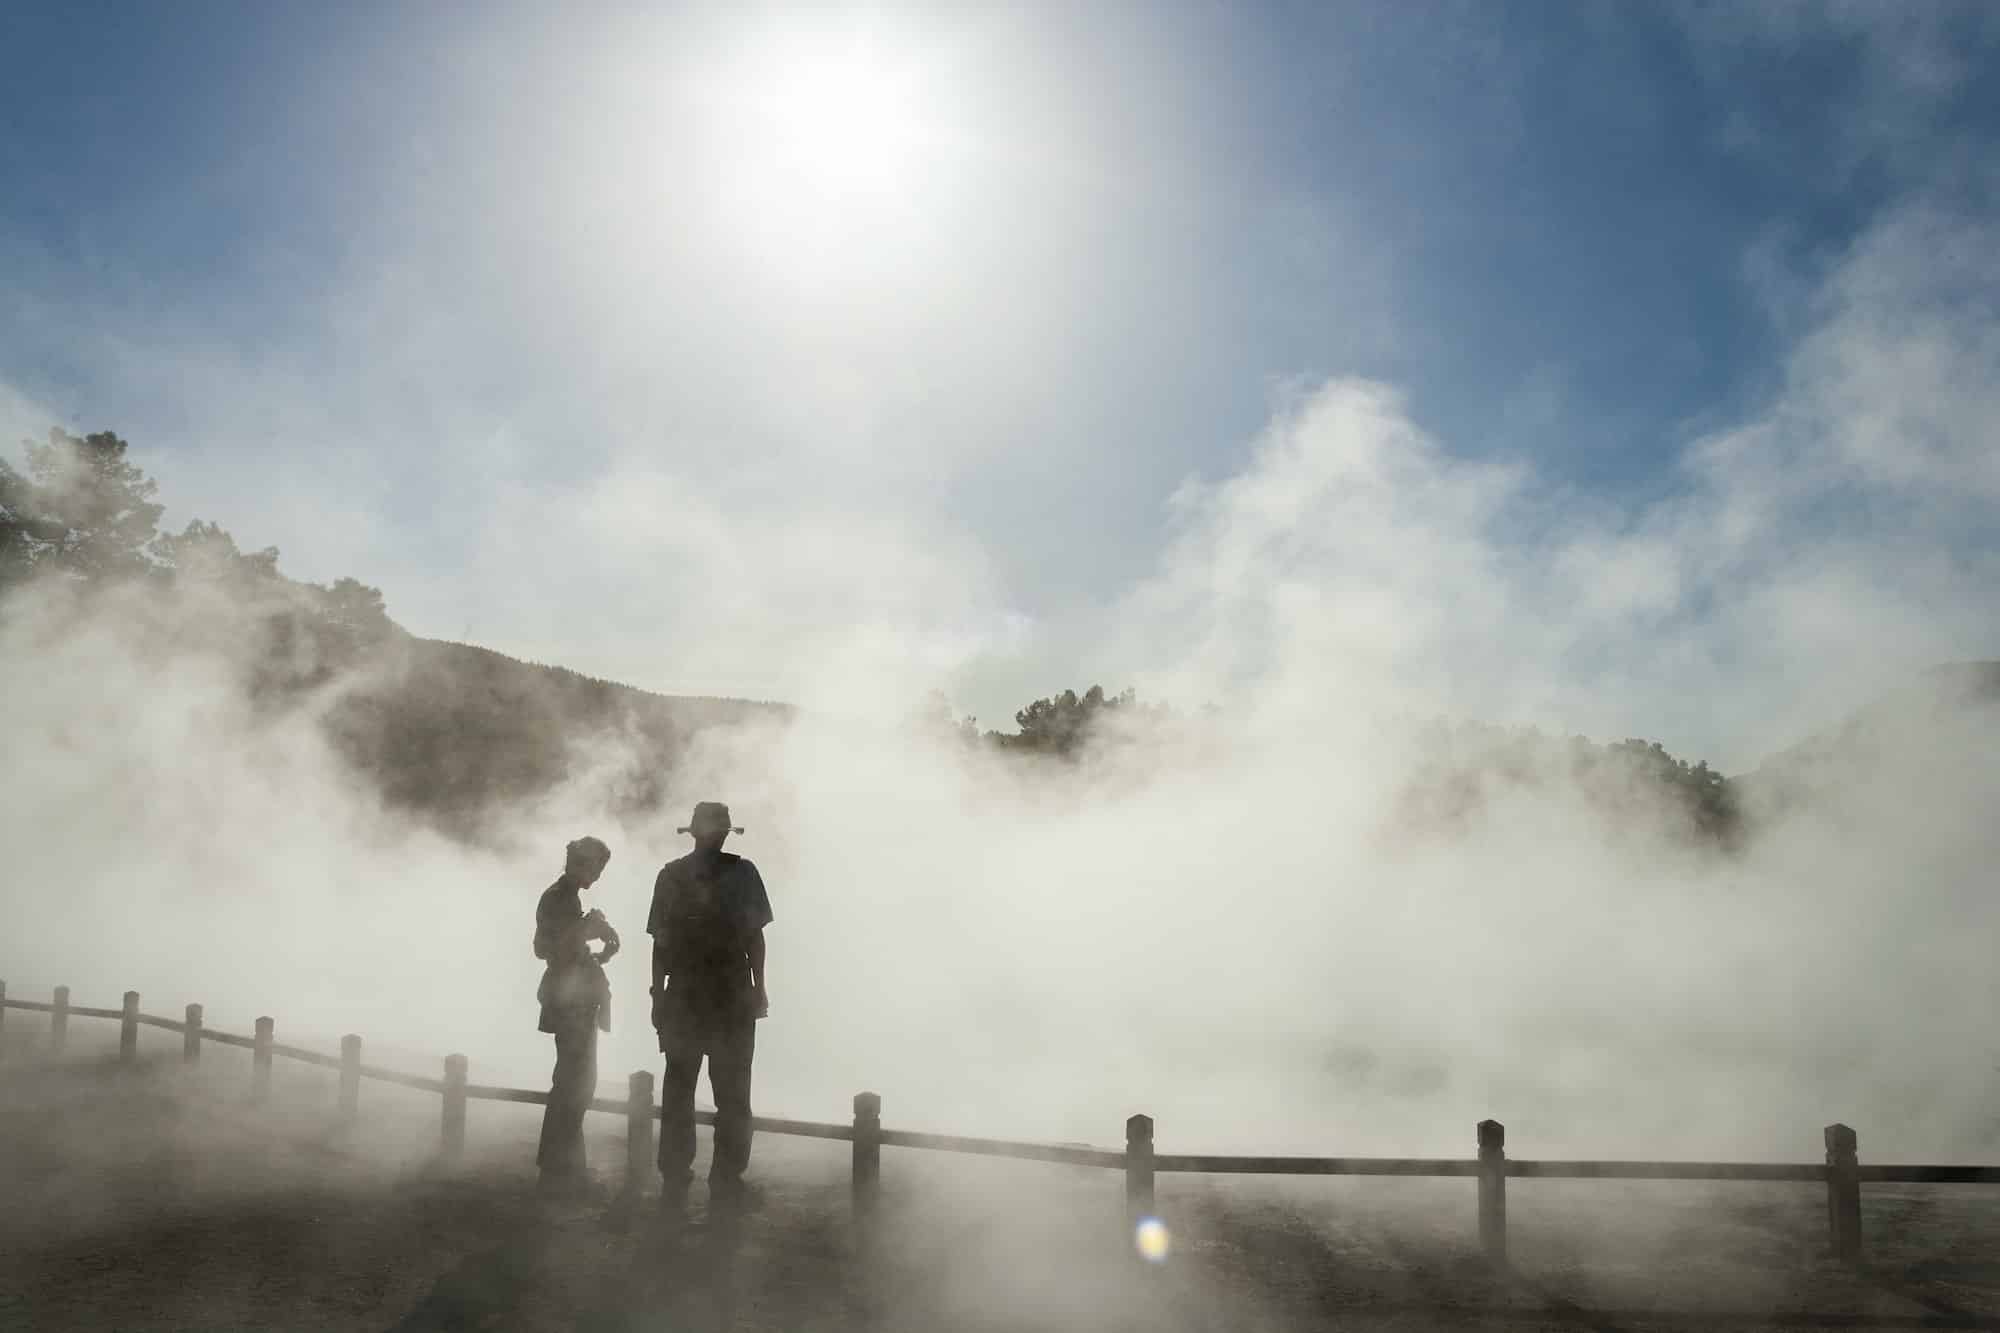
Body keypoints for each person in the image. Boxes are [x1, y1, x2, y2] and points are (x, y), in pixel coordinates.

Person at [650, 802, 772, 1204]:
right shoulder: (743, 872)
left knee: (682, 1086)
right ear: (720, 834)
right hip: (729, 993)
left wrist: (657, 995)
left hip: (687, 993)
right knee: (732, 1090)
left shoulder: (671, 875)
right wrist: (758, 987)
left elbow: (660, 944)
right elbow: (754, 937)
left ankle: (676, 1171)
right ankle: (726, 1175)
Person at [534, 835, 619, 1196]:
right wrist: (590, 930)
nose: (598, 875)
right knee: (574, 1084)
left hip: (572, 999)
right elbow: (547, 949)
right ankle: (560, 1171)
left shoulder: (564, 898)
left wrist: (593, 939)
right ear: (581, 863)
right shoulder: (559, 898)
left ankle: (564, 1168)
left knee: (575, 1083)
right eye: (596, 867)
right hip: (571, 1002)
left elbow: (556, 947)